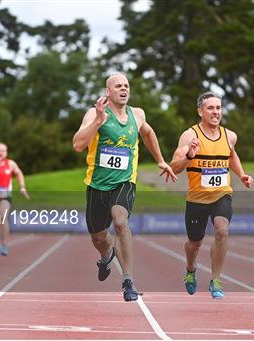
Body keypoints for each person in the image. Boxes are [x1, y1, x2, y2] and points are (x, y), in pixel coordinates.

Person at [73, 73, 177, 302]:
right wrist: (98, 121)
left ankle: (128, 280)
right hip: (97, 184)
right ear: (107, 92)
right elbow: (78, 145)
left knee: (120, 222)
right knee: (99, 238)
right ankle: (105, 256)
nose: (124, 89)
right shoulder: (94, 113)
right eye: (118, 86)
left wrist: (160, 159)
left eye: (127, 85)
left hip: (125, 181)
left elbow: (147, 132)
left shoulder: (137, 114)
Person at [170, 92, 253, 299]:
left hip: (221, 194)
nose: (216, 112)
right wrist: (190, 155)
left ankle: (216, 279)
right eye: (211, 108)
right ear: (200, 111)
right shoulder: (190, 136)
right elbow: (175, 166)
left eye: (218, 108)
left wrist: (241, 174)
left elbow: (231, 154)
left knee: (222, 230)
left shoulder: (229, 135)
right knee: (194, 244)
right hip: (197, 198)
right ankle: (190, 270)